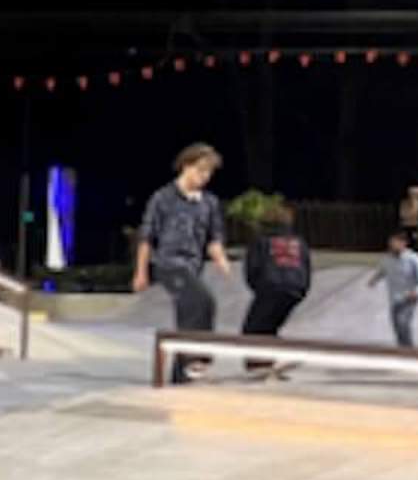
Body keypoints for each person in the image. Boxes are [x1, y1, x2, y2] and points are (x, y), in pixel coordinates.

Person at [134, 144, 233, 382]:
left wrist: (222, 260)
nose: (204, 177)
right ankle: (198, 357)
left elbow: (214, 238)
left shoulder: (209, 202)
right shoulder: (162, 198)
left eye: (209, 173)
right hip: (167, 264)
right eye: (200, 170)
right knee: (203, 300)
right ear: (186, 166)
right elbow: (147, 237)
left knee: (189, 311)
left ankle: (180, 375)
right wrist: (140, 272)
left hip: (192, 267)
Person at [239, 202, 313, 371]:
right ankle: (264, 362)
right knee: (269, 327)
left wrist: (259, 288)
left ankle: (265, 361)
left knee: (252, 328)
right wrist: (302, 289)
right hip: (295, 289)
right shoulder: (299, 241)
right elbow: (307, 266)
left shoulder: (260, 241)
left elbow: (253, 268)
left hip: (270, 287)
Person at [370, 228, 418, 349]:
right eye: (391, 243)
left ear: (403, 243)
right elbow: (383, 270)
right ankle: (402, 349)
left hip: (410, 297)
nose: (393, 246)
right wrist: (374, 279)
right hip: (394, 297)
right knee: (397, 326)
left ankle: (409, 350)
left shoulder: (413, 259)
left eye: (395, 243)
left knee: (403, 322)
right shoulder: (387, 258)